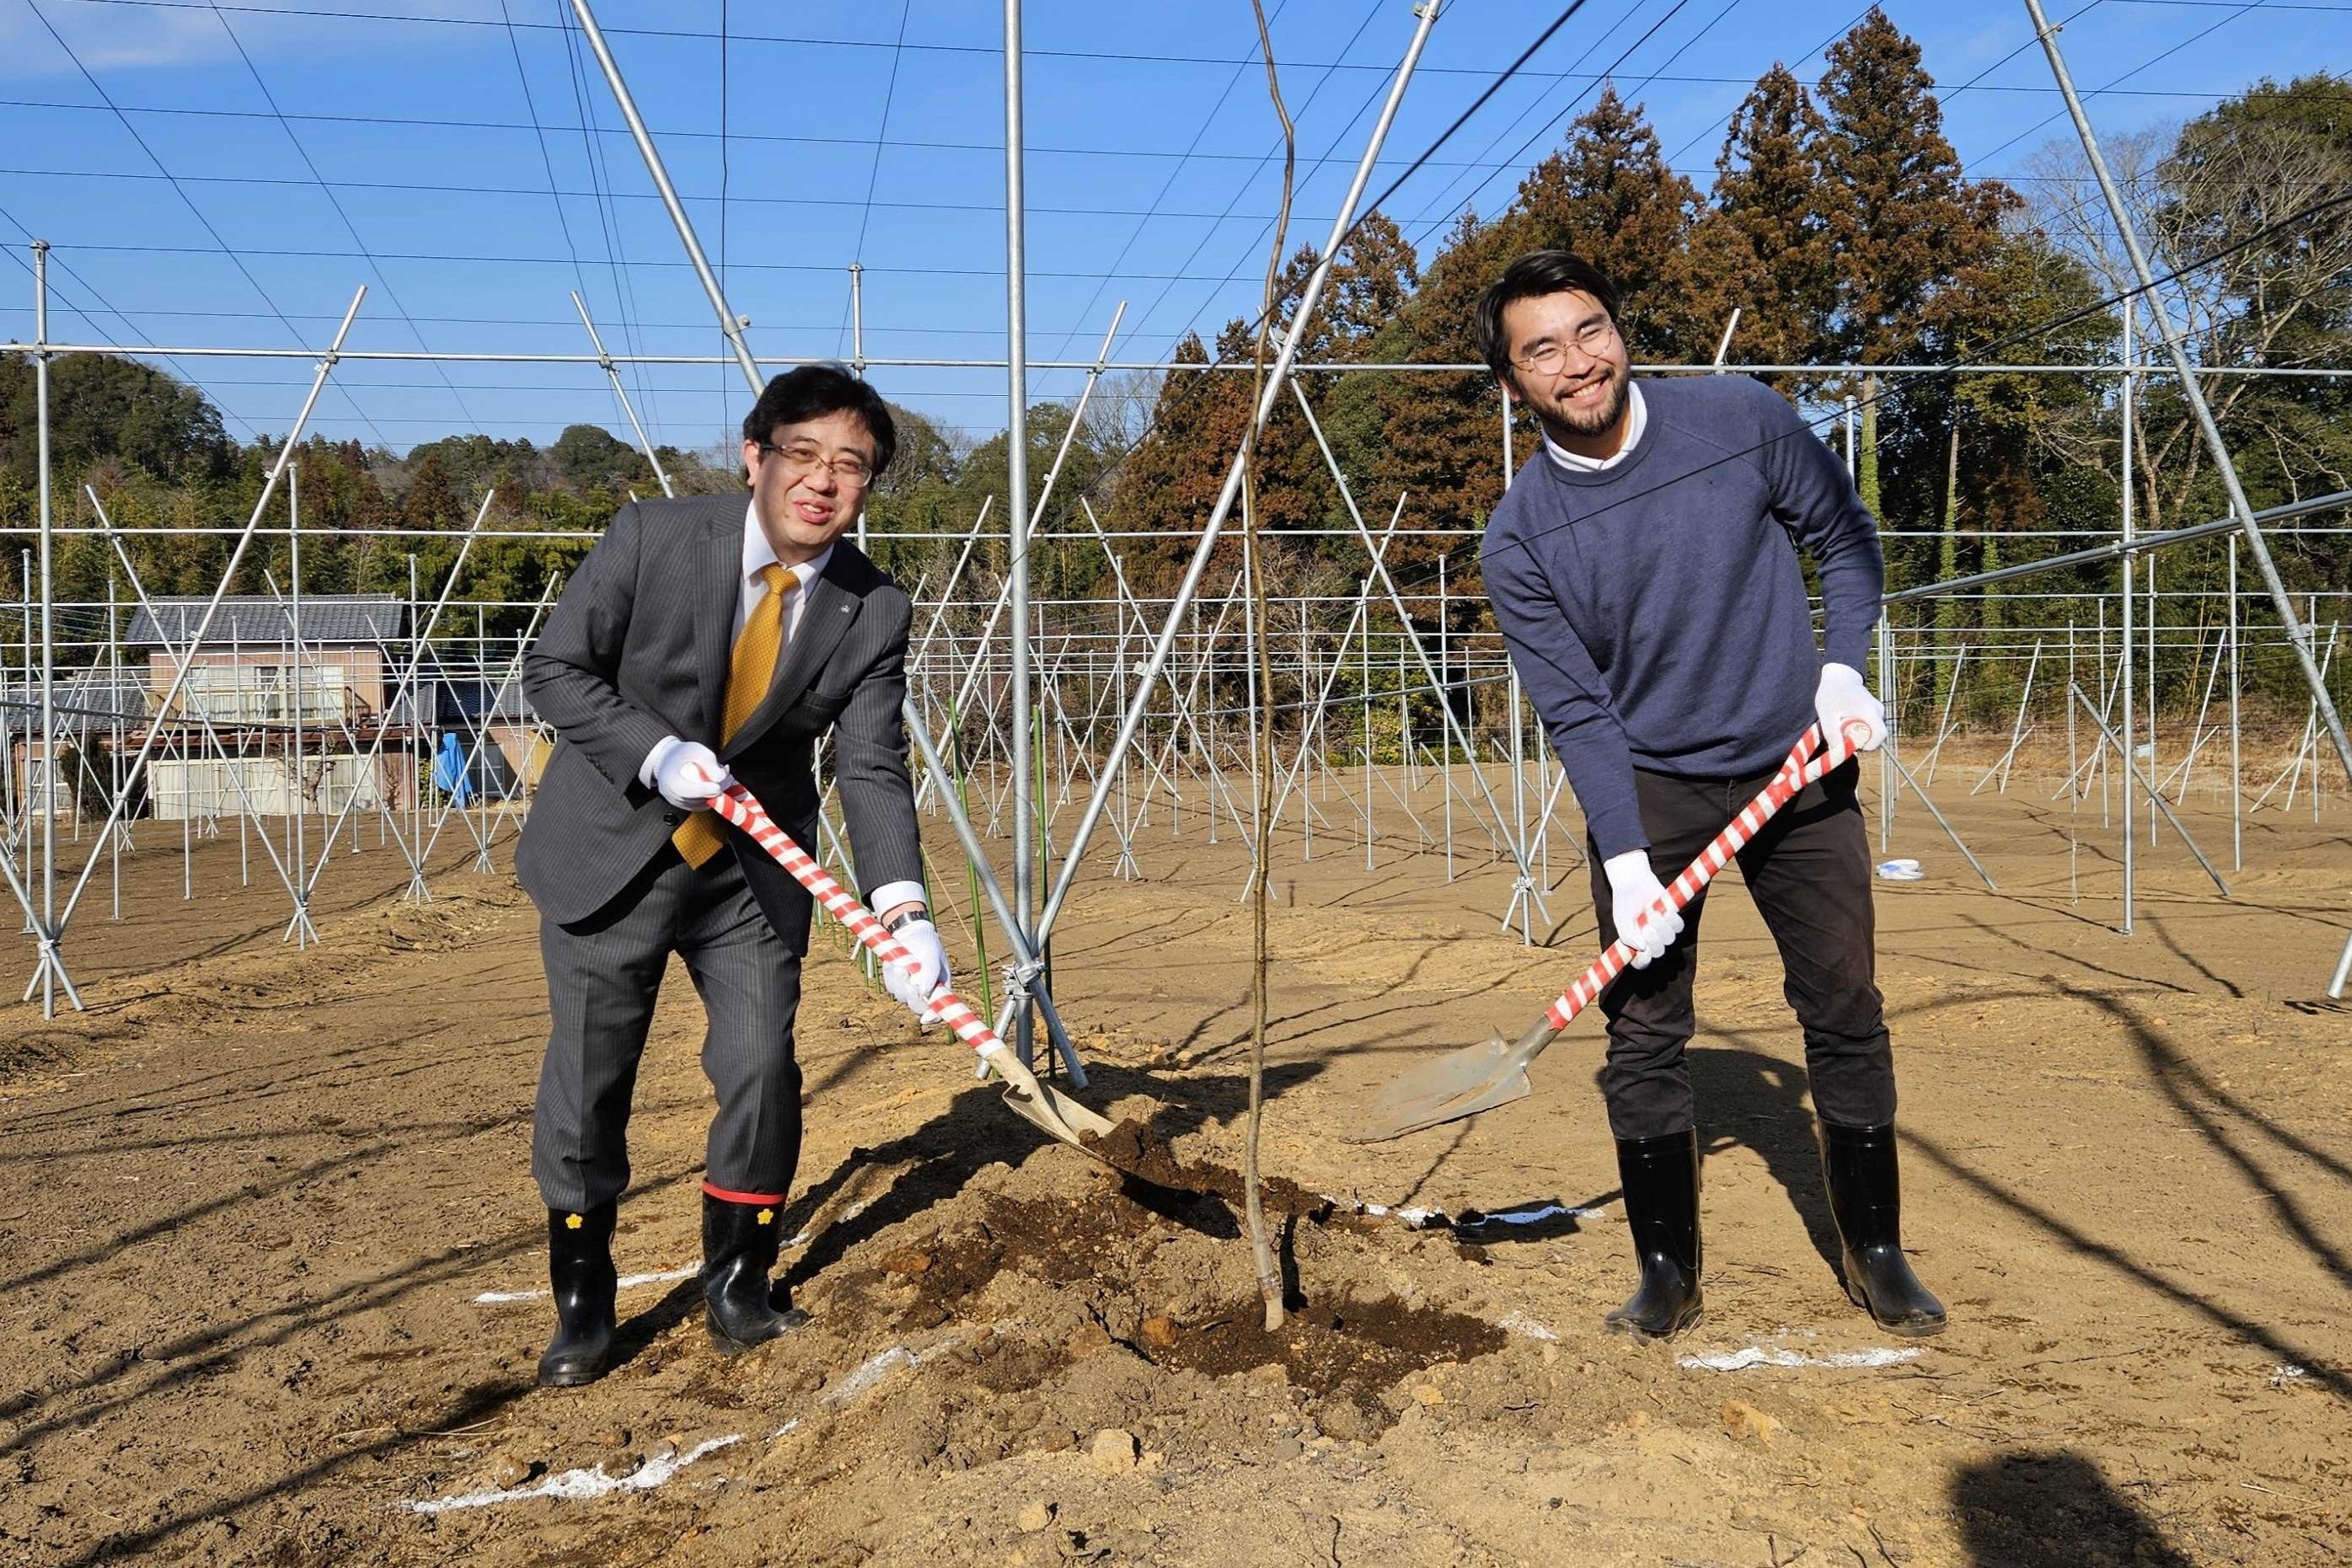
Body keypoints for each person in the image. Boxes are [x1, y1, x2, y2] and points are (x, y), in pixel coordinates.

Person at [1476, 250, 1945, 1342]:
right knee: (1640, 1031)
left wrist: (1841, 669)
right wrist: (1627, 859)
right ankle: (1664, 1268)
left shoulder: (1736, 419)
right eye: (1539, 348)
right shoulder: (1517, 540)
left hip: (1796, 761)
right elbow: (1578, 711)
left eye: (1587, 329)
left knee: (1840, 1005)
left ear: (1618, 328)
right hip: (1647, 785)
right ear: (1511, 384)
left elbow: (1841, 537)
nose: (1575, 361)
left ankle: (1872, 1249)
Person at [515, 364, 951, 1386]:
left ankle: (738, 1282)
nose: (823, 481)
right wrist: (652, 751)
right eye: (803, 454)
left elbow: (871, 762)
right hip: (614, 846)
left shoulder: (872, 606)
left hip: (753, 868)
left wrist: (903, 907)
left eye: (851, 466)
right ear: (755, 456)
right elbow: (554, 669)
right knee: (590, 1079)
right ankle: (582, 1299)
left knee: (761, 1068)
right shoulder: (654, 538)